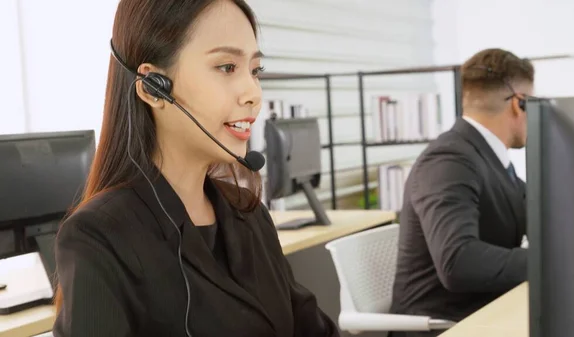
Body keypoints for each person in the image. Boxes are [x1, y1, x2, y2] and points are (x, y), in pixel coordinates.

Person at [52, 1, 339, 336]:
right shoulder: (99, 236)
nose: (253, 93)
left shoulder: (247, 214)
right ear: (153, 87)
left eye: (255, 70)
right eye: (227, 67)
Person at [389, 48, 531, 337]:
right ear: (519, 104)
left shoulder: (490, 158)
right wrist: (554, 262)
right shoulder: (448, 160)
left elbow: (536, 210)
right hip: (445, 326)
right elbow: (459, 261)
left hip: (480, 312)